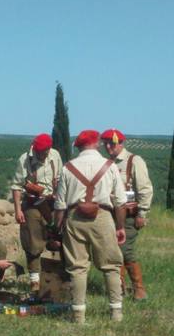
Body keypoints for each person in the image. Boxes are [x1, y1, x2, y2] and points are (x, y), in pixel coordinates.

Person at [54, 129, 127, 324]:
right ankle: (116, 313)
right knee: (111, 266)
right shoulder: (109, 166)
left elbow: (60, 204)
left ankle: (78, 316)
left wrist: (58, 227)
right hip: (103, 218)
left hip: (74, 217)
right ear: (96, 144)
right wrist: (120, 227)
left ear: (78, 146)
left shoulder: (68, 167)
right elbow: (120, 202)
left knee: (77, 268)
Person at [101, 129, 153, 300]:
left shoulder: (134, 160)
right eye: (106, 143)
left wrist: (142, 213)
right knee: (114, 251)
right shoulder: (107, 162)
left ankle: (139, 289)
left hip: (130, 215)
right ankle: (119, 288)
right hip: (111, 214)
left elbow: (145, 189)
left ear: (120, 143)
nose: (108, 146)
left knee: (126, 250)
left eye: (112, 143)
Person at [11, 133, 63, 293]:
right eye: (41, 152)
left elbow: (61, 179)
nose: (44, 155)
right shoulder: (24, 159)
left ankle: (60, 278)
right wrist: (18, 210)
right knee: (32, 242)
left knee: (60, 239)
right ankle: (34, 281)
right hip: (32, 204)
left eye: (46, 151)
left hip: (52, 203)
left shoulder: (55, 155)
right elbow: (17, 186)